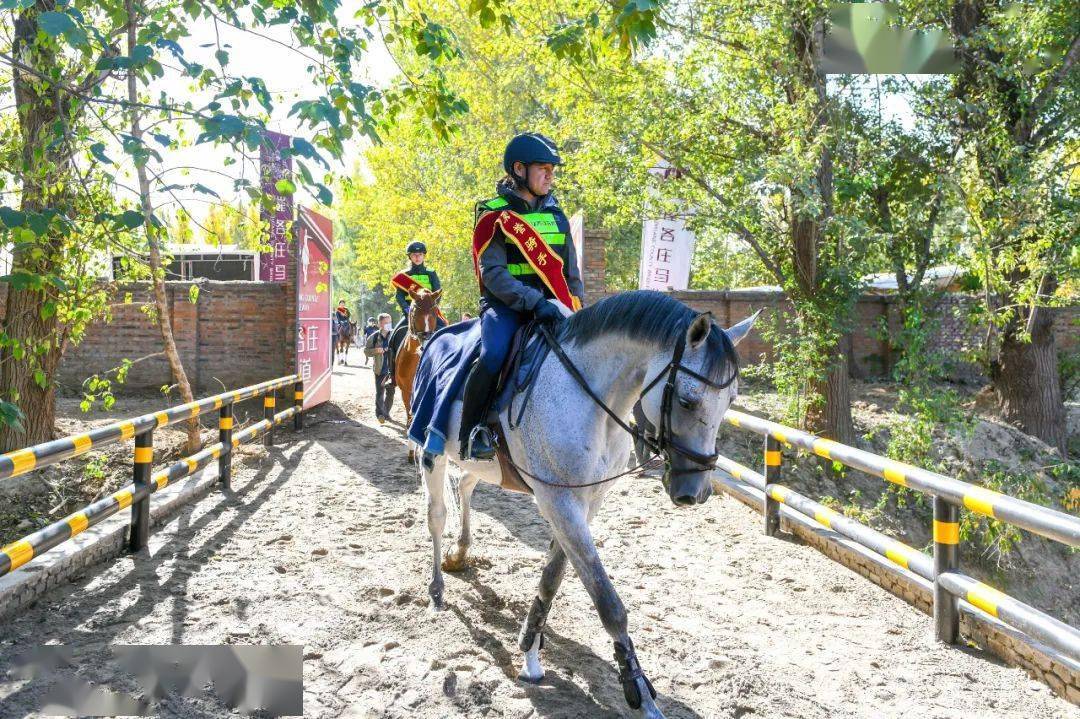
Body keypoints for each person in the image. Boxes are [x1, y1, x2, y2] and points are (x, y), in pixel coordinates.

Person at [460, 132, 583, 460]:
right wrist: (534, 302)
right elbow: (494, 275)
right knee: (492, 355)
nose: (549, 175)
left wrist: (578, 307)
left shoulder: (557, 215)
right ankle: (474, 430)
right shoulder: (493, 214)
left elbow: (572, 274)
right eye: (543, 168)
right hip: (507, 307)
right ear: (518, 169)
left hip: (554, 307)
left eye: (552, 169)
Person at [387, 242, 446, 383]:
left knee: (446, 331)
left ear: (424, 256)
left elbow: (438, 292)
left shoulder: (431, 273)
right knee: (393, 338)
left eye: (420, 255)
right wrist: (407, 310)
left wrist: (432, 309)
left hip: (429, 312)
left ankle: (447, 369)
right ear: (410, 257)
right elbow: (400, 296)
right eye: (414, 255)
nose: (417, 257)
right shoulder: (404, 275)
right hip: (410, 312)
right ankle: (392, 375)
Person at [364, 313, 396, 423]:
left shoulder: (394, 335)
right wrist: (375, 351)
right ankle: (379, 414)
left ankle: (386, 413)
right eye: (386, 322)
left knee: (391, 393)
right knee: (380, 392)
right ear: (380, 324)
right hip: (380, 369)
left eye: (390, 322)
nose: (389, 325)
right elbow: (366, 351)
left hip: (392, 370)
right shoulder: (373, 337)